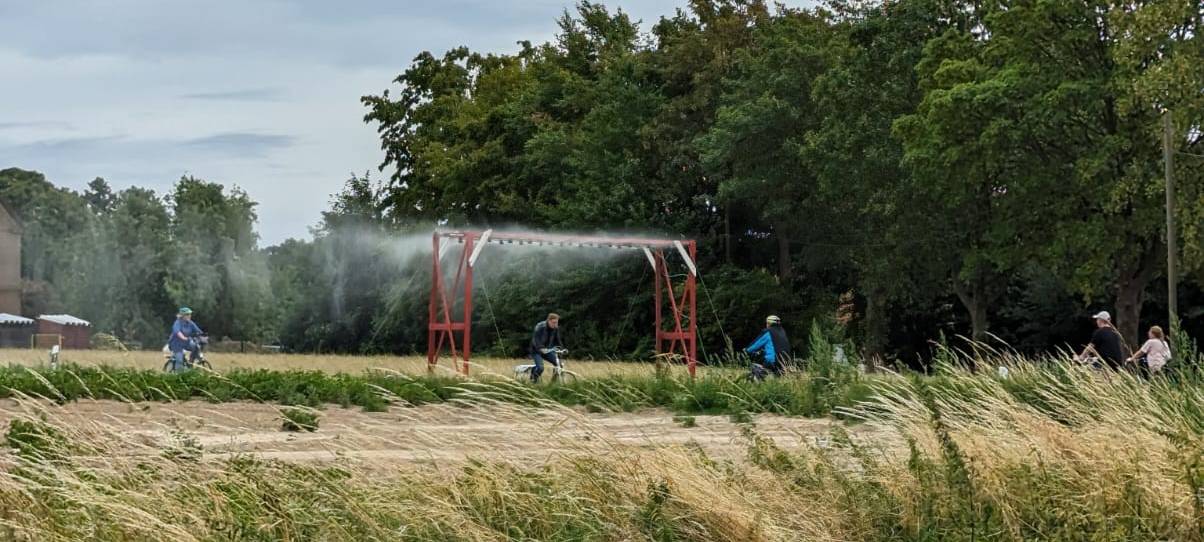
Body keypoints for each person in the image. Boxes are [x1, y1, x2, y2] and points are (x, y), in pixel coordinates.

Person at [168, 307, 203, 373]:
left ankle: (191, 362)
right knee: (179, 360)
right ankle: (179, 375)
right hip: (176, 344)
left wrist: (203, 336)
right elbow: (177, 332)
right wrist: (183, 337)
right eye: (187, 314)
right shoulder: (177, 323)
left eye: (190, 314)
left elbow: (198, 331)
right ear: (182, 316)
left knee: (196, 347)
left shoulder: (190, 323)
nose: (189, 316)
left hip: (186, 342)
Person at [529, 313, 562, 383]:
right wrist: (540, 348)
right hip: (536, 350)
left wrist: (561, 348)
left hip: (547, 350)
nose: (555, 324)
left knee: (559, 365)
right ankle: (533, 382)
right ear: (548, 321)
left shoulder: (555, 328)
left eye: (557, 322)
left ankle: (553, 384)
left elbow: (557, 340)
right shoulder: (540, 326)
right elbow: (535, 339)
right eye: (554, 322)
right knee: (540, 368)